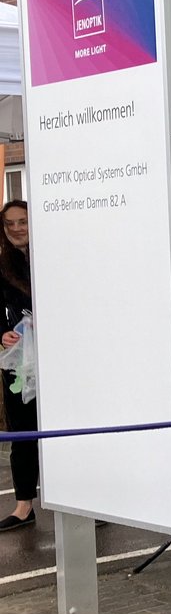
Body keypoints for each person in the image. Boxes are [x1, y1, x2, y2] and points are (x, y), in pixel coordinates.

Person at [0, 200, 37, 533]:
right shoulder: (1, 265)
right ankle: (24, 505)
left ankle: (88, 502)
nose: (16, 228)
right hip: (19, 362)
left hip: (63, 357)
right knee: (23, 433)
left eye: (22, 221)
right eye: (9, 223)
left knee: (68, 428)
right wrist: (2, 334)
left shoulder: (54, 256)